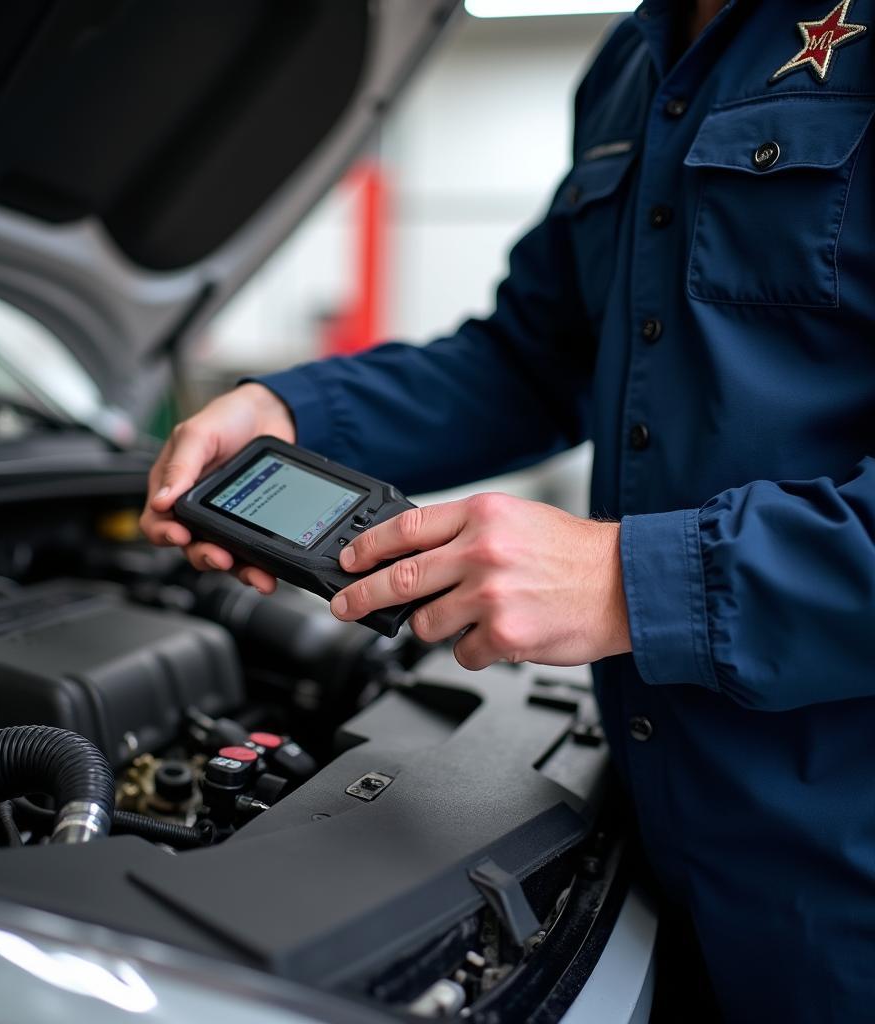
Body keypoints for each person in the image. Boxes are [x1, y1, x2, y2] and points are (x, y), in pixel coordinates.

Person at [143, 1, 875, 1019]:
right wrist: (296, 409)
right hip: (669, 843)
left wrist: (634, 581)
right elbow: (533, 358)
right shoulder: (633, 64)